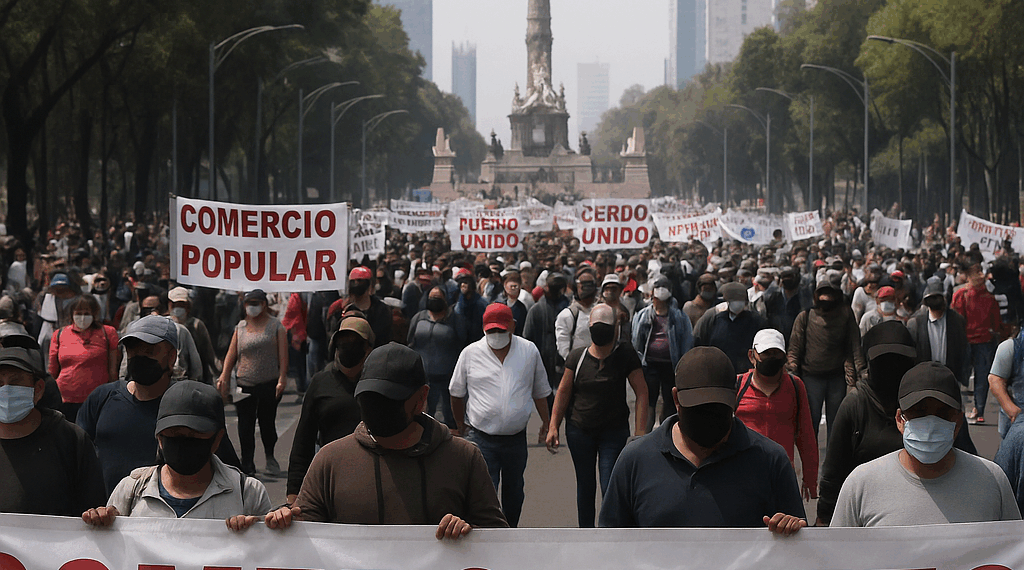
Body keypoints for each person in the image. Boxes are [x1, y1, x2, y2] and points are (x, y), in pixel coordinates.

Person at [265, 342, 508, 539]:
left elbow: (499, 540)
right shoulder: (330, 461)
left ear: (421, 397)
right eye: (369, 398)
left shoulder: (463, 458)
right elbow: (300, 534)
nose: (377, 408)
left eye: (389, 399)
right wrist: (259, 530)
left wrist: (470, 532)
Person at [598, 346, 806, 535]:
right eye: (698, 409)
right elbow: (610, 545)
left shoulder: (771, 461)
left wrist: (791, 529)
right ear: (676, 399)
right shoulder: (635, 460)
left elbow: (799, 548)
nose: (708, 417)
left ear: (734, 399)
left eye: (717, 408)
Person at [814, 321, 976, 525]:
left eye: (900, 360)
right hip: (872, 516)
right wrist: (824, 518)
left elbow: (967, 461)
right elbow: (834, 470)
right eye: (883, 360)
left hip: (941, 512)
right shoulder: (856, 405)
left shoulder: (937, 404)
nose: (892, 367)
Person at [831, 361, 1020, 526]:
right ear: (900, 419)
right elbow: (835, 557)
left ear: (958, 422)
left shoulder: (992, 481)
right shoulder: (861, 484)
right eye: (919, 412)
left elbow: (1014, 551)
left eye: (942, 413)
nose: (930, 423)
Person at [77, 315, 240, 494]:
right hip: (106, 517)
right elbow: (77, 458)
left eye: (149, 351)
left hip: (167, 517)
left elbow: (229, 472)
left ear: (171, 356)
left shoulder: (192, 404)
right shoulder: (101, 398)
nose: (139, 357)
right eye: (133, 350)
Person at [83, 380, 272, 529]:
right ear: (159, 438)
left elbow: (272, 554)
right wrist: (103, 525)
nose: (184, 443)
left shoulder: (248, 494)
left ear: (216, 440)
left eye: (195, 436)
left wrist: (259, 531)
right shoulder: (131, 490)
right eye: (175, 435)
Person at [449, 303, 552, 527]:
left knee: (514, 492)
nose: (496, 335)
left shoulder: (528, 351)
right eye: (491, 331)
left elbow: (540, 391)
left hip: (515, 439)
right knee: (485, 492)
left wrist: (547, 423)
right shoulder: (470, 353)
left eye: (501, 330)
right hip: (481, 438)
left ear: (512, 327)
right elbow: (456, 392)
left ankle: (509, 532)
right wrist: (460, 424)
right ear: (484, 329)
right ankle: (487, 538)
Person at [546, 304, 648, 527]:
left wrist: (640, 433)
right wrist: (553, 426)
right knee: (585, 485)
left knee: (610, 482)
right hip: (579, 430)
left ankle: (609, 533)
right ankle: (586, 535)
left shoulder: (625, 354)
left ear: (615, 328)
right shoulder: (577, 357)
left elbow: (642, 392)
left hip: (614, 431)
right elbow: (563, 393)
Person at [0, 345, 107, 515]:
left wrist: (99, 516)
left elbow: (93, 507)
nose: (5, 390)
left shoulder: (71, 440)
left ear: (38, 389)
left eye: (15, 382)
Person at [286, 316, 374, 504]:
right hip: (331, 481)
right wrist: (293, 494)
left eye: (354, 343)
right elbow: (304, 439)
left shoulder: (378, 384)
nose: (347, 347)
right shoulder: (321, 383)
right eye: (342, 343)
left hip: (373, 480)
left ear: (368, 348)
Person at [735, 329, 818, 500]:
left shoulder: (795, 386)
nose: (772, 359)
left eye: (776, 354)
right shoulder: (737, 385)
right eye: (766, 354)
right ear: (752, 356)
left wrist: (810, 479)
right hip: (743, 475)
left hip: (782, 475)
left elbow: (806, 436)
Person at [216, 289, 288, 476]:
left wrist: (282, 378)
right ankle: (247, 464)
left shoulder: (275, 327)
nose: (252, 307)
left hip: (268, 383)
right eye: (249, 303)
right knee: (245, 426)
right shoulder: (240, 328)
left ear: (264, 304)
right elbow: (231, 356)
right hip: (245, 384)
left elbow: (283, 356)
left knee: (267, 423)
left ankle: (270, 456)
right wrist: (224, 375)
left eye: (256, 303)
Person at [787, 272, 866, 440]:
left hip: (836, 377)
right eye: (822, 293)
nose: (826, 297)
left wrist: (861, 372)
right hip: (811, 377)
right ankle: (811, 461)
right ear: (816, 296)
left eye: (830, 294)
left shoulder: (845, 315)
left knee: (837, 424)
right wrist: (792, 372)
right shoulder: (806, 317)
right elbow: (794, 347)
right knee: (810, 422)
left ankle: (832, 461)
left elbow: (855, 346)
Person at [632, 275, 694, 431]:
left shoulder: (679, 317)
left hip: (670, 365)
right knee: (648, 401)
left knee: (669, 401)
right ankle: (645, 435)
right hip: (649, 364)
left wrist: (683, 365)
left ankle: (665, 432)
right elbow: (636, 339)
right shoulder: (643, 315)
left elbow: (686, 340)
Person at [49, 294, 120, 421]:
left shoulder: (108, 333)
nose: (82, 317)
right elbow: (53, 370)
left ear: (94, 314)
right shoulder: (59, 334)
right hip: (65, 400)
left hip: (98, 400)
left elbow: (113, 370)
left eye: (86, 313)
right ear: (72, 314)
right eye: (79, 313)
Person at [407, 286, 466, 428]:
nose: (434, 300)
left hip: (447, 375)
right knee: (424, 412)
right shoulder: (419, 318)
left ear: (445, 300)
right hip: (423, 375)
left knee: (449, 412)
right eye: (431, 297)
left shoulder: (455, 319)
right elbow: (410, 342)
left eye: (438, 298)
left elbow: (462, 343)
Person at [950, 262, 1002, 424]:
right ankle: (979, 410)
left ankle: (956, 408)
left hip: (965, 341)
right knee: (982, 378)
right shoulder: (990, 298)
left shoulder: (961, 295)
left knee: (958, 376)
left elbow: (956, 320)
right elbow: (997, 324)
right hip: (985, 342)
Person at [907, 276, 970, 388]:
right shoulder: (916, 323)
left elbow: (963, 350)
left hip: (950, 376)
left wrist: (962, 377)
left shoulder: (956, 320)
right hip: (925, 377)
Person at [692, 282, 767, 375]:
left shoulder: (756, 321)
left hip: (746, 373)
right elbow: (699, 341)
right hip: (717, 372)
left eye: (741, 300)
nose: (738, 303)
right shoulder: (713, 318)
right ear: (727, 301)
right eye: (734, 300)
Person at [524, 273, 570, 405]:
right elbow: (528, 338)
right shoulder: (536, 310)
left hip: (564, 361)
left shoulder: (568, 308)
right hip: (543, 362)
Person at [168, 286, 219, 385]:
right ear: (170, 305)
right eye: (176, 305)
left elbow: (208, 351)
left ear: (188, 306)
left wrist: (216, 371)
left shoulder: (197, 325)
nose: (179, 308)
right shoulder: (165, 324)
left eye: (182, 305)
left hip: (193, 376)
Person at [555, 269, 599, 363]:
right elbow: (563, 347)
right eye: (583, 286)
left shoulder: (600, 311)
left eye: (590, 285)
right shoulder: (567, 315)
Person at [343, 266, 392, 347]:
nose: (356, 284)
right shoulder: (344, 310)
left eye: (359, 281)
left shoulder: (382, 310)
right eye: (353, 282)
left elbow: (384, 336)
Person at [495, 271, 528, 336]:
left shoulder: (521, 308)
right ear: (505, 286)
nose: (513, 288)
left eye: (515, 286)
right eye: (511, 286)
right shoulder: (498, 304)